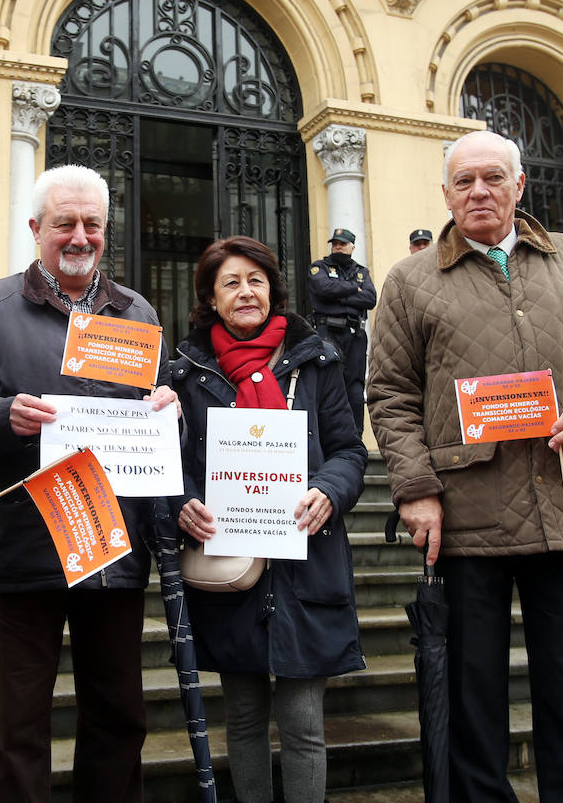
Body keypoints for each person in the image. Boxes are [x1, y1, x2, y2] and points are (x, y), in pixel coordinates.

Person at [366, 130, 563, 803]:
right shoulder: (411, 282)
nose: (478, 191)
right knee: (472, 704)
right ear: (445, 194)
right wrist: (414, 489)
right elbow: (390, 392)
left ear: (519, 185)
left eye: (493, 178)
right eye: (464, 181)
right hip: (467, 519)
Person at [0, 164, 177, 803]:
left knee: (118, 717)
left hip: (112, 544)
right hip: (26, 543)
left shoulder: (135, 311)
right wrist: (5, 416)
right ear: (35, 229)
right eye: (64, 224)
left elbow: (149, 410)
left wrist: (165, 405)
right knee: (20, 726)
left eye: (93, 225)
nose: (80, 237)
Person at [173, 236, 367, 803]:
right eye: (230, 282)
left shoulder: (317, 360)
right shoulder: (187, 373)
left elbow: (349, 451)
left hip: (308, 559)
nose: (245, 292)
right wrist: (183, 502)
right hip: (231, 564)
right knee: (244, 718)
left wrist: (329, 491)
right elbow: (174, 464)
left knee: (305, 724)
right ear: (211, 298)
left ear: (273, 289)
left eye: (256, 280)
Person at [305, 227, 376, 437]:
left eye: (342, 244)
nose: (337, 247)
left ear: (352, 247)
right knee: (326, 381)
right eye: (335, 243)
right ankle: (321, 435)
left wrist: (338, 294)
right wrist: (354, 289)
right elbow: (323, 290)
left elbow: (370, 299)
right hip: (327, 332)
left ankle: (355, 436)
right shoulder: (320, 267)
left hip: (354, 335)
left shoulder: (361, 272)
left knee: (354, 387)